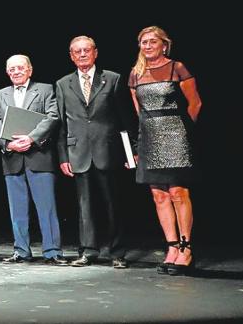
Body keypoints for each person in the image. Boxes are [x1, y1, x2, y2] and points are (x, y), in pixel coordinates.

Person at [129, 26, 202, 275]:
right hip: (150, 137)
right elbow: (139, 113)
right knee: (159, 195)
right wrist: (141, 143)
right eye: (143, 42)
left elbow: (195, 103)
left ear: (164, 44)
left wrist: (183, 130)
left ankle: (186, 248)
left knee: (178, 192)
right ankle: (171, 247)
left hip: (176, 136)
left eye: (152, 41)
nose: (147, 46)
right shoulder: (135, 74)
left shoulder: (177, 68)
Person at [55, 35, 131, 268]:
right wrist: (63, 156)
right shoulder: (62, 83)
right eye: (77, 51)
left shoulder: (112, 79)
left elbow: (125, 120)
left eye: (86, 50)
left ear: (95, 52)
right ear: (71, 56)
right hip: (78, 152)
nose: (82, 54)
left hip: (108, 151)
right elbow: (61, 123)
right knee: (84, 206)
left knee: (112, 205)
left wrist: (131, 153)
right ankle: (88, 250)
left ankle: (117, 253)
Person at [0, 55, 65, 265]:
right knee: (17, 209)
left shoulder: (45, 89)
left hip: (39, 156)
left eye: (20, 68)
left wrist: (31, 138)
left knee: (46, 208)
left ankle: (52, 251)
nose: (16, 72)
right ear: (7, 72)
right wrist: (8, 144)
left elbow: (52, 116)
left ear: (30, 70)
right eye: (11, 69)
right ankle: (21, 250)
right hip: (12, 157)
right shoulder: (1, 94)